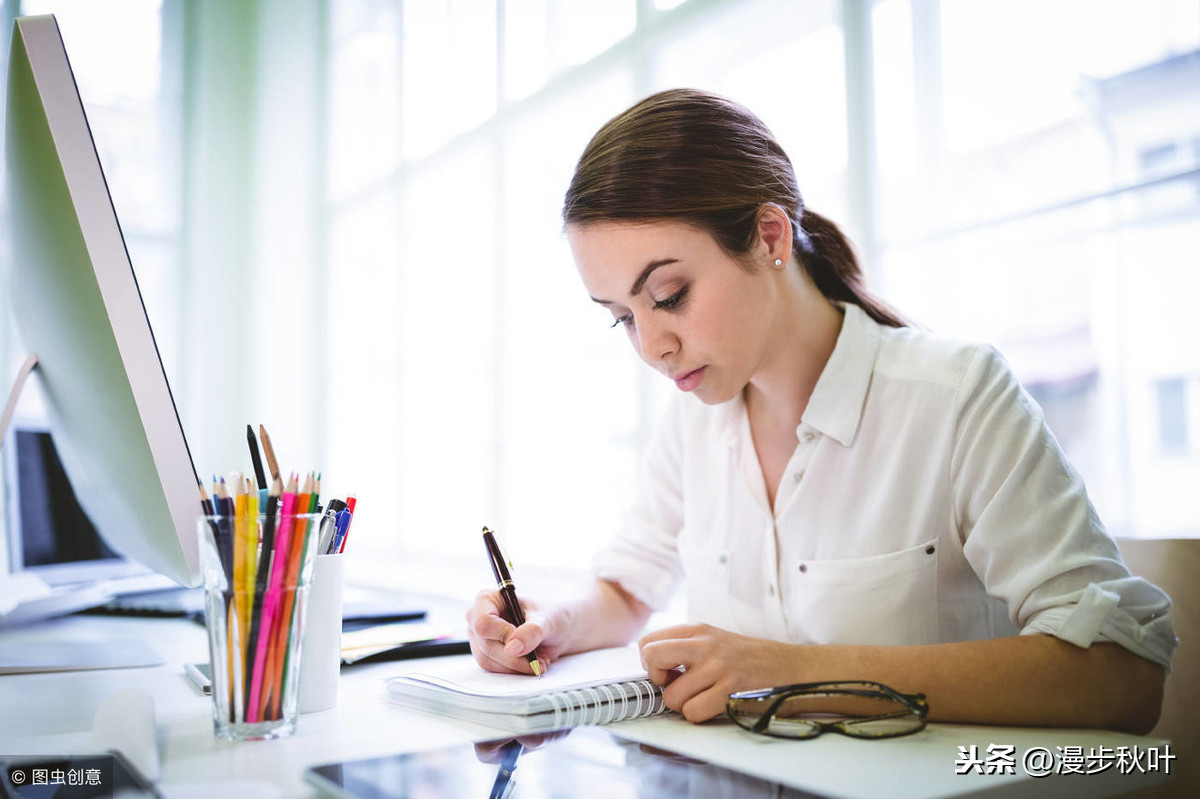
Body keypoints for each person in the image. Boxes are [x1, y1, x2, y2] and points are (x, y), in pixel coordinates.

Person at [466, 88, 1176, 734]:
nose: (652, 345)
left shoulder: (955, 396)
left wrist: (796, 674)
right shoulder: (694, 421)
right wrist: (550, 626)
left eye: (670, 294)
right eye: (621, 316)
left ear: (771, 237)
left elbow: (1121, 675)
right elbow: (627, 590)